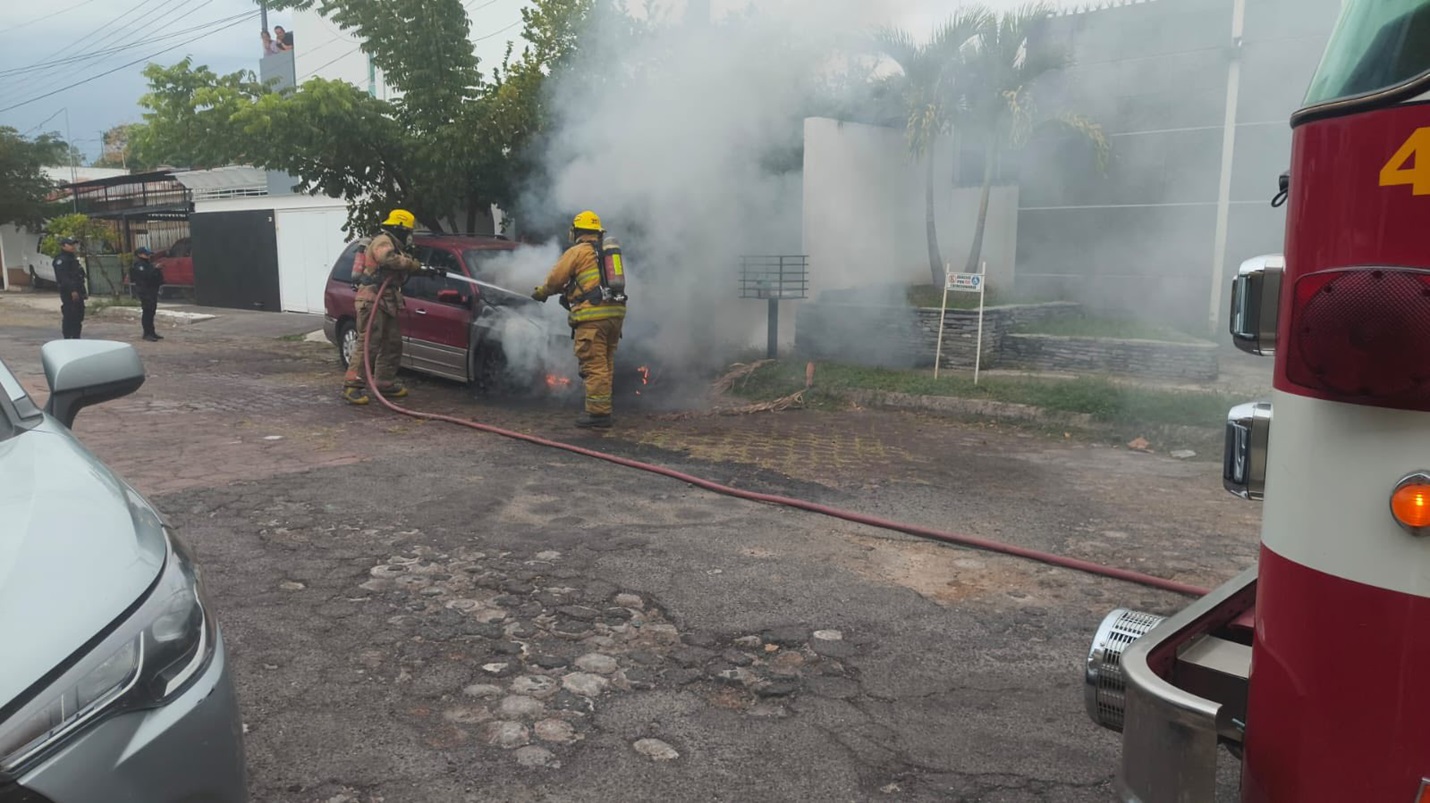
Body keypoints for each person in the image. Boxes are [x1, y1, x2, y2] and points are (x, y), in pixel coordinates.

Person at [531, 210, 627, 428]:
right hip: (615, 313)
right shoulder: (603, 254)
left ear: (576, 232)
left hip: (593, 316)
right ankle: (604, 409)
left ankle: (599, 416)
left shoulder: (578, 252)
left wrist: (542, 292)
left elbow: (555, 280)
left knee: (594, 365)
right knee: (605, 363)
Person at [342, 209, 429, 405]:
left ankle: (384, 382)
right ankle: (352, 385)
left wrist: (426, 270)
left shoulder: (394, 245)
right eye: (407, 231)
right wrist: (411, 265)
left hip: (386, 301)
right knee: (368, 344)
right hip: (372, 300)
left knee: (392, 343)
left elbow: (399, 268)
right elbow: (386, 259)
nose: (408, 235)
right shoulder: (384, 241)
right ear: (398, 228)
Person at [53, 238, 87, 340]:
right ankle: (68, 338)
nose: (73, 246)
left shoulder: (73, 259)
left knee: (78, 315)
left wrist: (83, 292)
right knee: (70, 314)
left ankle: (76, 337)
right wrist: (72, 290)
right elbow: (64, 278)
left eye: (73, 244)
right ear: (63, 246)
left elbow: (79, 276)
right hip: (68, 292)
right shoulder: (61, 260)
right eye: (70, 244)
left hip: (78, 290)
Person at [129, 247, 165, 342]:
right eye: (146, 254)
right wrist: (155, 269)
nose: (149, 256)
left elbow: (155, 277)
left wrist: (157, 270)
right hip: (145, 291)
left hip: (152, 290)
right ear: (140, 254)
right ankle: (147, 333)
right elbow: (145, 277)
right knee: (147, 312)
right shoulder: (138, 265)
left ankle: (152, 332)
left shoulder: (148, 264)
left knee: (152, 312)